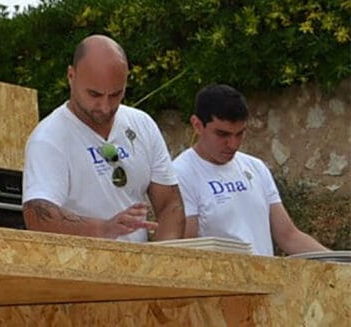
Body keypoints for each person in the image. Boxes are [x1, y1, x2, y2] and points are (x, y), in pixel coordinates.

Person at [22, 35, 185, 242]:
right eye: (94, 95)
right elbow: (37, 214)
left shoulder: (142, 124)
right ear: (71, 76)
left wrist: (163, 259)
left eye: (116, 94)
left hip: (138, 268)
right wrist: (103, 229)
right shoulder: (48, 138)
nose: (106, 107)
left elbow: (170, 203)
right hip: (80, 269)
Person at [173, 84, 329, 256]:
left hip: (264, 279)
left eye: (239, 134)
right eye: (222, 134)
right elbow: (187, 249)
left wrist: (339, 263)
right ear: (197, 125)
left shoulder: (256, 167)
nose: (232, 144)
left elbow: (288, 236)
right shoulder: (180, 174)